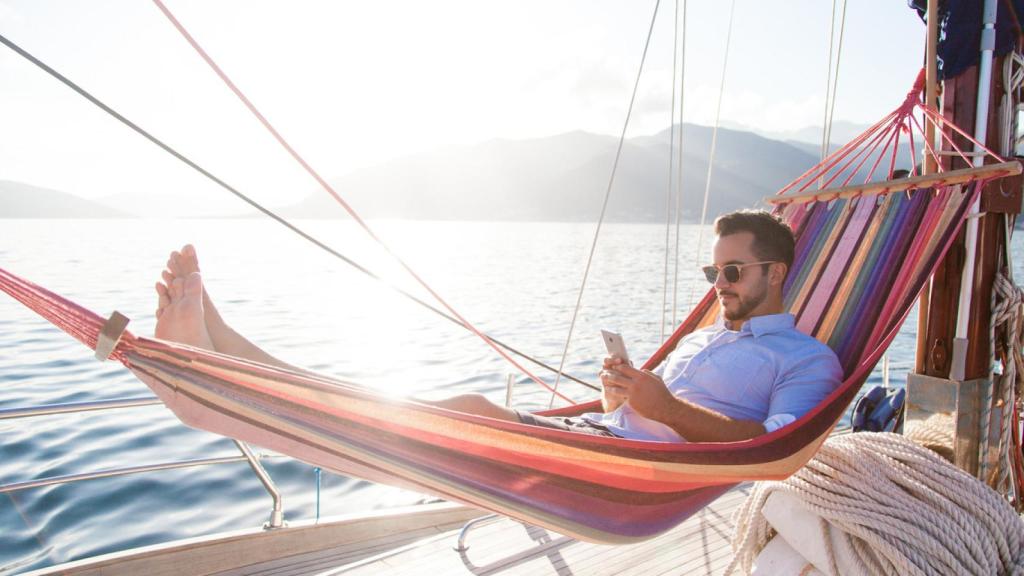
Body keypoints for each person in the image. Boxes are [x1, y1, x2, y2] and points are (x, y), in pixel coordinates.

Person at [155, 210, 842, 443]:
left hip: (644, 472)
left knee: (471, 412)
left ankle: (226, 389)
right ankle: (225, 353)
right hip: (603, 440)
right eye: (712, 274)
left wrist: (663, 406)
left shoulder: (809, 362)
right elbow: (640, 414)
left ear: (776, 273)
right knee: (464, 412)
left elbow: (774, 451)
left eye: (733, 273)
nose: (718, 287)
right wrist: (621, 393)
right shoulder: (706, 337)